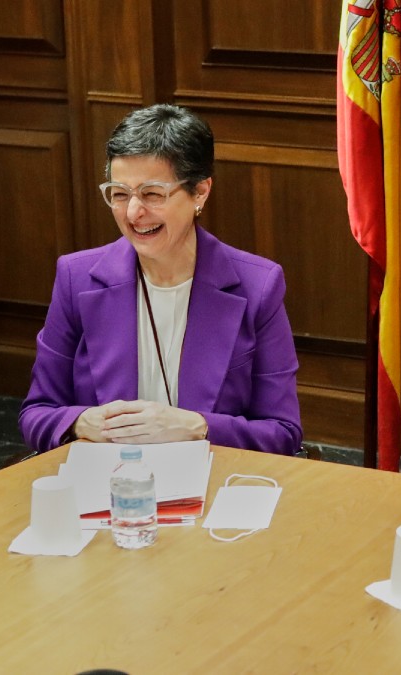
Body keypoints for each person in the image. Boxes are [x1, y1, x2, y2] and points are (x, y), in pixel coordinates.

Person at [19, 104, 302, 455]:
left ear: (200, 192)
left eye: (152, 193)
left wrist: (195, 426)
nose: (134, 213)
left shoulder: (258, 285)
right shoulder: (76, 278)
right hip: (106, 484)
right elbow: (36, 414)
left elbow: (283, 433)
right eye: (119, 194)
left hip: (212, 482)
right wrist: (81, 423)